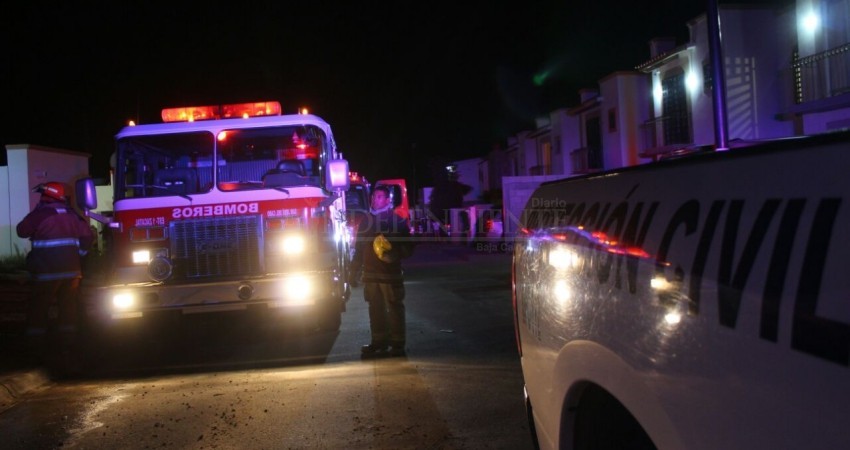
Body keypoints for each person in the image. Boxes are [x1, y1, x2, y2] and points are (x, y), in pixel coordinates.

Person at [16, 181, 94, 367]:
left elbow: (21, 231)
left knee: (39, 308)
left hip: (47, 272)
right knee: (68, 308)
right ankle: (68, 346)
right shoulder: (73, 216)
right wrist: (80, 254)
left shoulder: (41, 214)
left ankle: (36, 349)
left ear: (46, 196)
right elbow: (88, 236)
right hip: (72, 273)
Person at [350, 185, 414, 357]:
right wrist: (353, 271)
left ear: (388, 200)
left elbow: (409, 248)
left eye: (379, 197)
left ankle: (398, 344)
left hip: (391, 276)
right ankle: (379, 342)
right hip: (370, 276)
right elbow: (358, 248)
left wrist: (394, 254)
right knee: (375, 309)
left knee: (394, 308)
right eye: (373, 196)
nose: (374, 200)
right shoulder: (365, 221)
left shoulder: (397, 221)